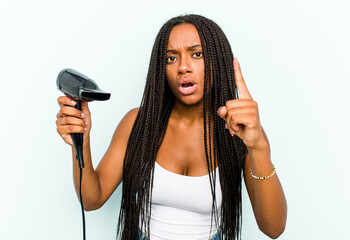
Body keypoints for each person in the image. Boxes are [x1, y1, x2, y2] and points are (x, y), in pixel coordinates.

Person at [56, 14, 287, 240]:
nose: (183, 67)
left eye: (197, 54)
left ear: (218, 61)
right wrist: (81, 142)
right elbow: (91, 199)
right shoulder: (138, 123)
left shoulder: (242, 130)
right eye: (171, 58)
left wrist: (258, 147)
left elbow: (273, 229)